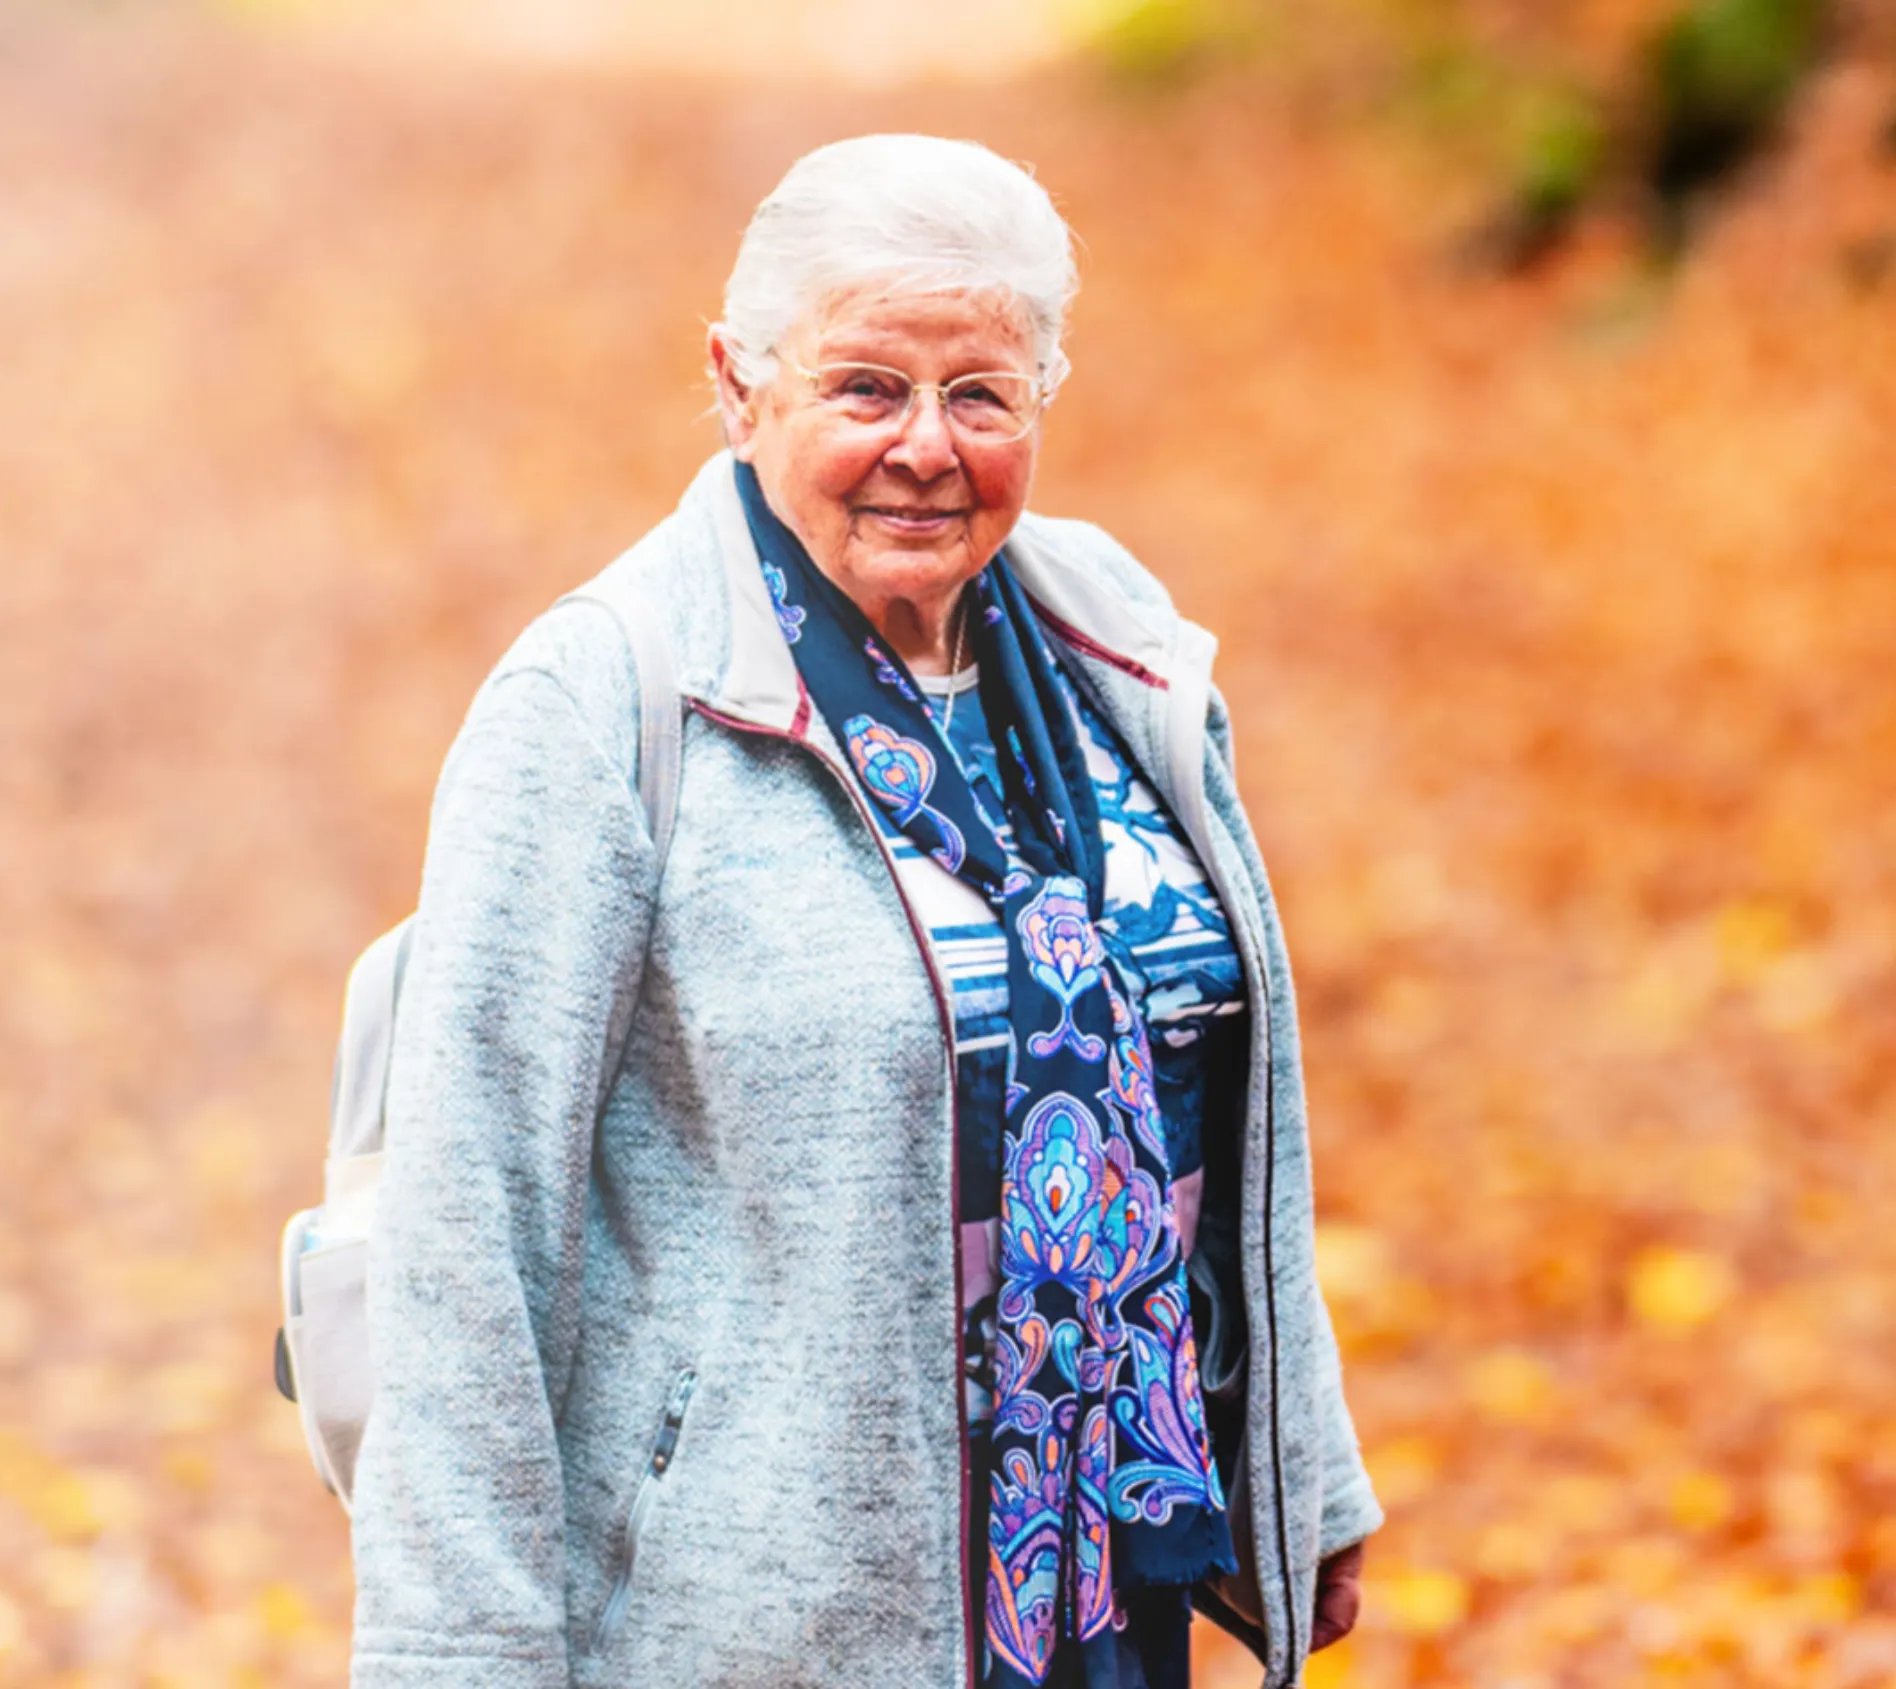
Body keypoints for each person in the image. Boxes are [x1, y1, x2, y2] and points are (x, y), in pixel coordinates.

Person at [349, 134, 1377, 1689]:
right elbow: (466, 1225)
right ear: (737, 384)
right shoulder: (607, 698)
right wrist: (458, 1656)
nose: (926, 447)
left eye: (982, 395)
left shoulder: (1110, 636)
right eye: (866, 388)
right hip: (761, 1620)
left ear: (1044, 398)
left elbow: (1214, 1107)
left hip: (1107, 1581)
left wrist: (1302, 1467)